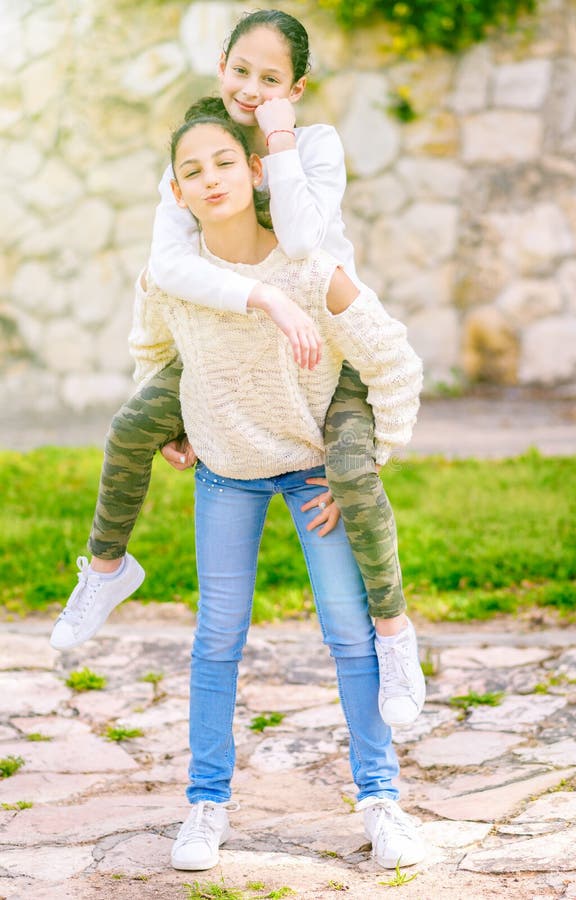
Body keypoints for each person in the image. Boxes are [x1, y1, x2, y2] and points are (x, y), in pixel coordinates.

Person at [50, 8, 425, 729]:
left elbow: (302, 237)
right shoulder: (196, 152)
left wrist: (278, 139)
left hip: (322, 346)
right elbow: (166, 268)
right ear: (220, 63)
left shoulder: (311, 144)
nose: (251, 88)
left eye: (271, 78)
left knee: (350, 469)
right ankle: (105, 567)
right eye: (242, 71)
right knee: (131, 424)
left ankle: (394, 634)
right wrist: (247, 306)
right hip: (222, 342)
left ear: (298, 86)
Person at [134, 111, 424, 872]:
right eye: (191, 171)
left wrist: (370, 461)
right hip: (225, 472)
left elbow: (393, 361)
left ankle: (380, 799)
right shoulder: (171, 275)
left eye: (223, 161)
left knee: (345, 629)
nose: (210, 178)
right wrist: (171, 423)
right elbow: (152, 352)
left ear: (255, 171)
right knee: (216, 638)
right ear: (177, 192)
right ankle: (205, 805)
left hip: (309, 472)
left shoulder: (305, 266)